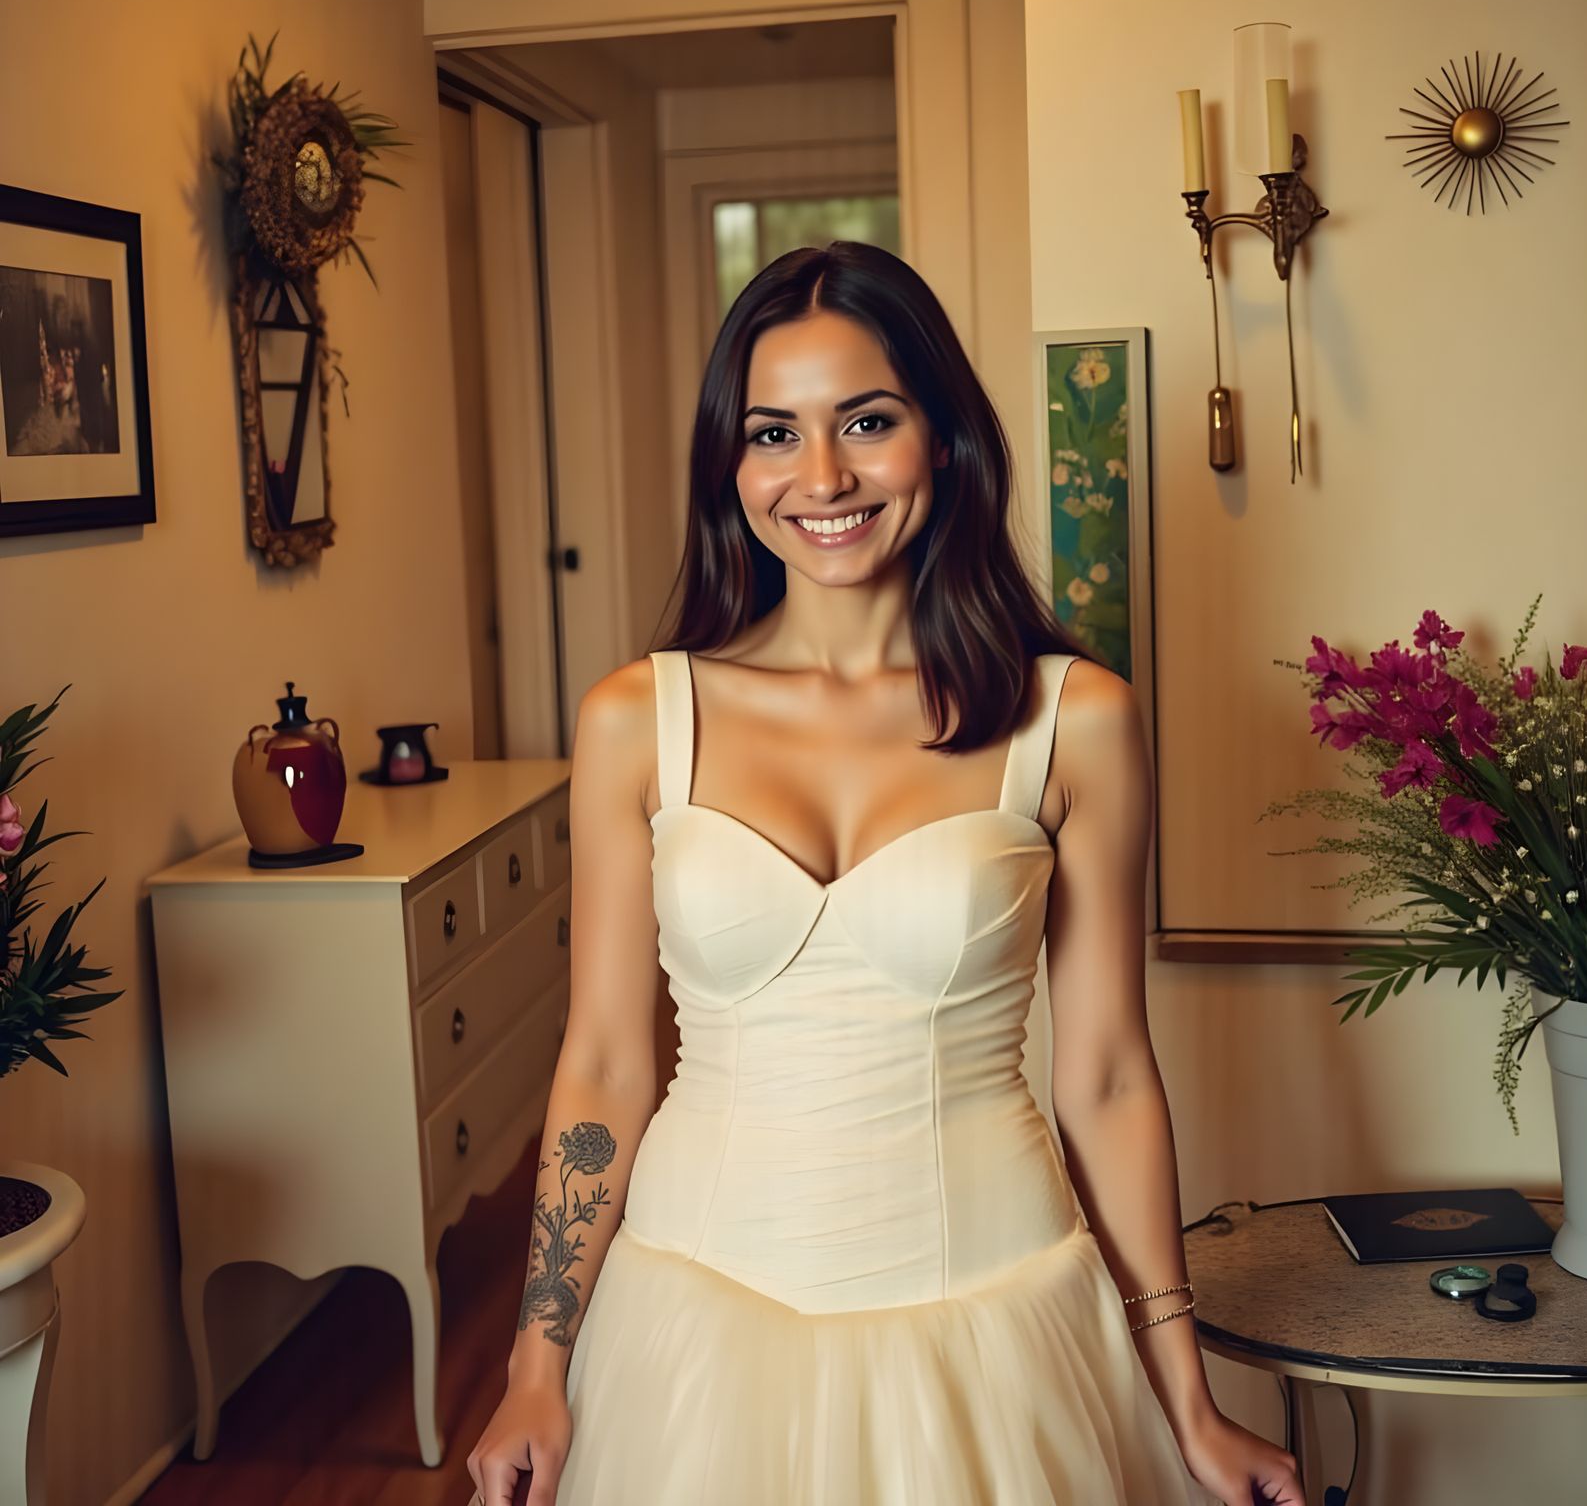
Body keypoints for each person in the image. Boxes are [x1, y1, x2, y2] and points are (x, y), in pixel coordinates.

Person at [466, 241, 1303, 1506]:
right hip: (691, 1315)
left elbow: (1110, 1074)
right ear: (728, 464)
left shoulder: (1072, 719)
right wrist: (539, 1359)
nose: (821, 478)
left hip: (994, 1316)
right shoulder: (639, 719)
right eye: (771, 433)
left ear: (945, 439)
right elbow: (602, 1060)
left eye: (866, 420)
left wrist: (1184, 1396)